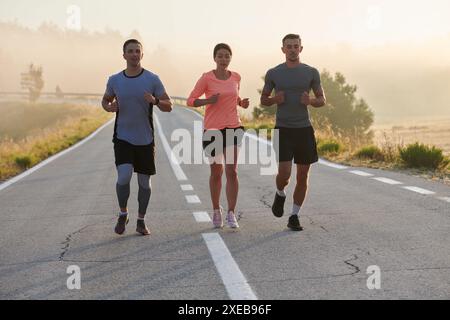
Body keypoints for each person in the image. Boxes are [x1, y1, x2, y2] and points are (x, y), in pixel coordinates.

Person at [102, 39, 172, 236]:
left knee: (144, 183)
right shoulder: (115, 79)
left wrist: (156, 100)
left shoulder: (152, 79)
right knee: (123, 177)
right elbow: (105, 100)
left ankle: (141, 220)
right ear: (123, 55)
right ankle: (123, 213)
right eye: (130, 51)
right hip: (123, 136)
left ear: (142, 55)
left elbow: (169, 105)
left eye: (137, 51)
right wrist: (109, 107)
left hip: (145, 139)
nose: (134, 54)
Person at [260, 34, 326, 231]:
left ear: (301, 49)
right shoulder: (273, 73)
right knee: (285, 173)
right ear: (282, 49)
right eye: (288, 46)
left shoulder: (311, 72)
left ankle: (294, 216)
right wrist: (274, 100)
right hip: (283, 129)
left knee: (303, 175)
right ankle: (280, 192)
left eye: (295, 46)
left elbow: (322, 99)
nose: (292, 49)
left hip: (304, 129)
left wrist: (311, 102)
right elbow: (263, 99)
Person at [187, 43, 250, 229]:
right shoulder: (206, 78)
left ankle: (231, 212)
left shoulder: (236, 77)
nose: (224, 59)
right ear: (214, 58)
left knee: (232, 171)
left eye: (227, 56)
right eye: (220, 56)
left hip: (233, 127)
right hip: (213, 130)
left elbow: (234, 97)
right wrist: (208, 100)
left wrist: (241, 102)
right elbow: (191, 100)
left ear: (231, 58)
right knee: (216, 172)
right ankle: (216, 210)